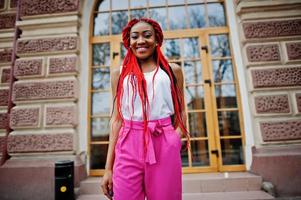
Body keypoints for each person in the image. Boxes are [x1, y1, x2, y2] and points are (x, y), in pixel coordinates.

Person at [100, 18, 189, 200]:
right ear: (129, 42)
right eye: (135, 37)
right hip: (128, 142)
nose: (141, 41)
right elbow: (117, 119)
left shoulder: (173, 71)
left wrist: (176, 135)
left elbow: (181, 110)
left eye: (147, 35)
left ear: (157, 40)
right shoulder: (119, 75)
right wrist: (108, 168)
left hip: (162, 140)